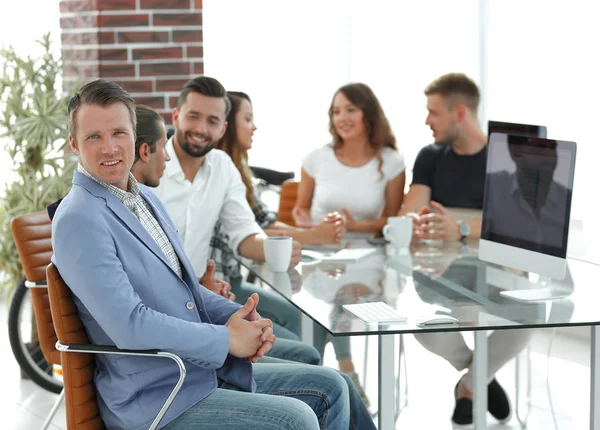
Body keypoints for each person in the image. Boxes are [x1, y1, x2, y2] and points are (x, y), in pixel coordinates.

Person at [52, 79, 376, 430]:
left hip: (196, 370)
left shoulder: (143, 197)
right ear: (74, 144)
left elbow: (185, 291)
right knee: (297, 419)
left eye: (119, 133)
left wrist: (241, 317)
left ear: (134, 136)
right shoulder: (80, 217)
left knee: (332, 386)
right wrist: (226, 338)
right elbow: (130, 325)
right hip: (159, 396)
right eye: (93, 137)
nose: (109, 148)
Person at [130, 103, 321, 366]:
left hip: (198, 309)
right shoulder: (129, 210)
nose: (167, 157)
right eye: (164, 147)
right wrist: (226, 332)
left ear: (223, 127)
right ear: (144, 151)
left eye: (212, 120)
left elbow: (164, 284)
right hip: (178, 351)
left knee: (306, 350)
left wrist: (223, 306)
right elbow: (149, 304)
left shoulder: (146, 200)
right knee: (319, 375)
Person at [399, 73, 532, 426]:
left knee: (531, 316)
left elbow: (518, 225)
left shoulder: (506, 157)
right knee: (422, 325)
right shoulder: (430, 155)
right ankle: (481, 379)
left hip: (499, 275)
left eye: (433, 112)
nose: (427, 121)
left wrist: (459, 227)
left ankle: (469, 387)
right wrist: (416, 223)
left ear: (460, 112)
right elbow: (409, 211)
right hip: (440, 278)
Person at [151, 77, 305, 343]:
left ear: (223, 129)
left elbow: (244, 234)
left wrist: (275, 248)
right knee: (303, 357)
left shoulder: (222, 166)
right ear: (176, 116)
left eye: (212, 121)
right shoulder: (150, 166)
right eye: (194, 116)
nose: (201, 128)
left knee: (298, 337)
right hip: (164, 307)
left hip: (203, 301)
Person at [292, 82, 406, 407]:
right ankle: (344, 372)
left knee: (337, 301)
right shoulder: (316, 159)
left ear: (368, 114)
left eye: (350, 110)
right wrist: (315, 228)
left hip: (371, 262)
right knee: (319, 303)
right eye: (336, 111)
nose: (342, 117)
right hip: (320, 257)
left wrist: (353, 226)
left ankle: (317, 380)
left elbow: (392, 219)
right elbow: (300, 210)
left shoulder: (391, 161)